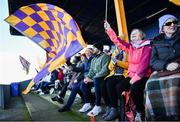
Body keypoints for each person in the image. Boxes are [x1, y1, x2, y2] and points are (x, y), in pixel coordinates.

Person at [104, 21, 152, 121]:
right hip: (131, 75)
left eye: (135, 34)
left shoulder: (147, 46)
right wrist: (109, 29)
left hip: (143, 75)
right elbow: (117, 41)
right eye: (131, 35)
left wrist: (134, 79)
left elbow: (143, 65)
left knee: (134, 88)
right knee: (118, 87)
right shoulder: (130, 47)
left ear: (142, 36)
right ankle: (124, 112)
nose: (132, 36)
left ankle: (140, 111)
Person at [145, 14, 180, 120]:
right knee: (150, 84)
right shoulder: (156, 42)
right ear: (162, 28)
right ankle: (158, 116)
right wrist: (166, 65)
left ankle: (175, 114)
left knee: (176, 83)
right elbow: (153, 61)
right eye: (168, 23)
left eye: (174, 22)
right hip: (164, 68)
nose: (172, 25)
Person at [81, 41, 111, 117]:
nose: (93, 49)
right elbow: (91, 70)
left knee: (96, 81)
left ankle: (98, 106)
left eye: (94, 48)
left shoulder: (105, 56)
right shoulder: (94, 59)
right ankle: (88, 104)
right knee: (83, 84)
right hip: (95, 79)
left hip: (103, 78)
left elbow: (104, 71)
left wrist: (93, 78)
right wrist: (88, 77)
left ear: (98, 48)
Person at [102, 47, 128, 121]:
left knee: (110, 84)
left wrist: (118, 62)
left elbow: (129, 66)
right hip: (114, 74)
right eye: (116, 44)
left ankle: (115, 109)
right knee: (103, 84)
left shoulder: (127, 51)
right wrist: (113, 63)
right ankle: (109, 107)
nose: (118, 45)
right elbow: (110, 68)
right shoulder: (114, 52)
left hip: (124, 74)